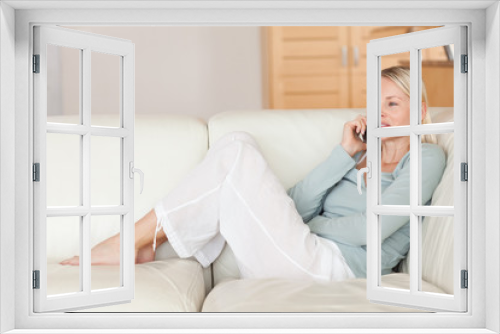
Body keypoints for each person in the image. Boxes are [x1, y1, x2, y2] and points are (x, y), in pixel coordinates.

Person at [61, 66, 446, 282]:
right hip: (302, 256)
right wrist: (344, 154)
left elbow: (370, 230)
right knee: (236, 144)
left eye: (392, 103)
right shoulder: (360, 159)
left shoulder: (426, 157)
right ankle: (143, 244)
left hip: (336, 271)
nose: (380, 113)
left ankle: (132, 241)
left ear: (420, 109)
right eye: (374, 103)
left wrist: (304, 229)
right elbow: (298, 203)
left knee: (238, 151)